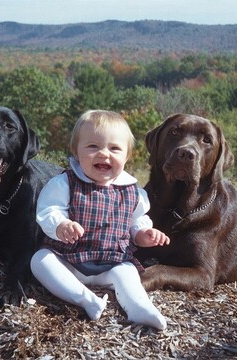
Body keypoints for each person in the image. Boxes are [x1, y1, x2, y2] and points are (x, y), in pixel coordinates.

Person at [31, 110, 170, 330]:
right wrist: (60, 225)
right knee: (40, 260)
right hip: (69, 259)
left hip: (111, 262)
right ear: (76, 151)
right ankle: (85, 299)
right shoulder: (65, 183)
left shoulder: (133, 192)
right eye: (93, 147)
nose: (104, 154)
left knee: (128, 273)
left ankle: (139, 307)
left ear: (127, 156)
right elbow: (48, 210)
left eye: (114, 148)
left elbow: (136, 223)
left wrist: (144, 234)